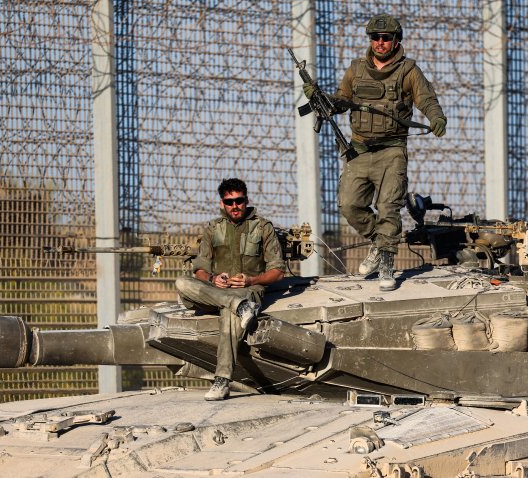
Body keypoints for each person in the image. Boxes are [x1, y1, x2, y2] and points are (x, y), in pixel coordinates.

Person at [303, 14, 446, 291]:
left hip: (392, 150)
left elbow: (426, 98)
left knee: (388, 207)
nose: (380, 43)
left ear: (396, 40)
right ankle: (378, 244)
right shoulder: (356, 69)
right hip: (359, 150)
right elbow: (342, 100)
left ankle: (387, 265)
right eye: (375, 38)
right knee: (349, 204)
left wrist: (436, 117)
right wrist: (320, 98)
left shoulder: (408, 71)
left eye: (386, 38)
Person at [175, 178, 285, 401]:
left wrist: (251, 280)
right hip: (218, 290)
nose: (235, 206)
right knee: (181, 283)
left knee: (229, 313)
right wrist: (214, 279)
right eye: (229, 202)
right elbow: (200, 269)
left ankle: (222, 380)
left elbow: (277, 271)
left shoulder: (263, 227)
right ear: (222, 203)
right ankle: (239, 306)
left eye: (239, 201)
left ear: (246, 200)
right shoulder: (213, 228)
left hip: (248, 290)